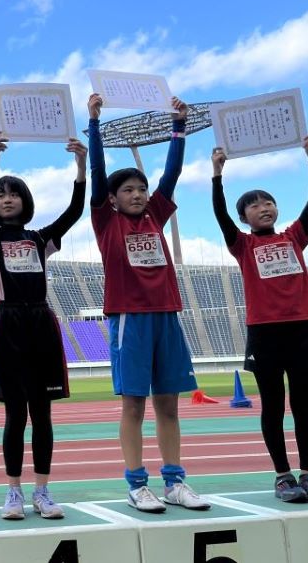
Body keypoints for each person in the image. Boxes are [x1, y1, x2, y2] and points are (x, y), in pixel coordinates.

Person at [88, 92, 209, 513]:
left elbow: (172, 174)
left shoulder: (156, 216)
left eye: (141, 188)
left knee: (169, 406)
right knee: (134, 405)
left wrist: (179, 127)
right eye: (128, 190)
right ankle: (137, 484)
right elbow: (98, 171)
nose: (138, 194)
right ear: (113, 197)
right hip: (130, 319)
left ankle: (174, 481)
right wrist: (94, 124)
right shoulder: (106, 221)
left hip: (166, 317)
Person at [211, 138, 308, 503]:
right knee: (273, 405)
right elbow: (220, 215)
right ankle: (282, 476)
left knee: (303, 405)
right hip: (264, 333)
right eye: (254, 205)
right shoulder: (243, 245)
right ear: (244, 217)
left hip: (302, 329)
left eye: (268, 202)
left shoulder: (294, 237)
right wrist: (217, 175)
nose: (263, 208)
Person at [0, 131, 86, 520]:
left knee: (42, 414)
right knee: (15, 415)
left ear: (26, 201)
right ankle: (13, 492)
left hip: (41, 322)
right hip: (8, 323)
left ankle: (42, 491)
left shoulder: (41, 239)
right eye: (0, 195)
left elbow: (74, 213)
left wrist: (81, 168)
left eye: (14, 194)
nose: (6, 199)